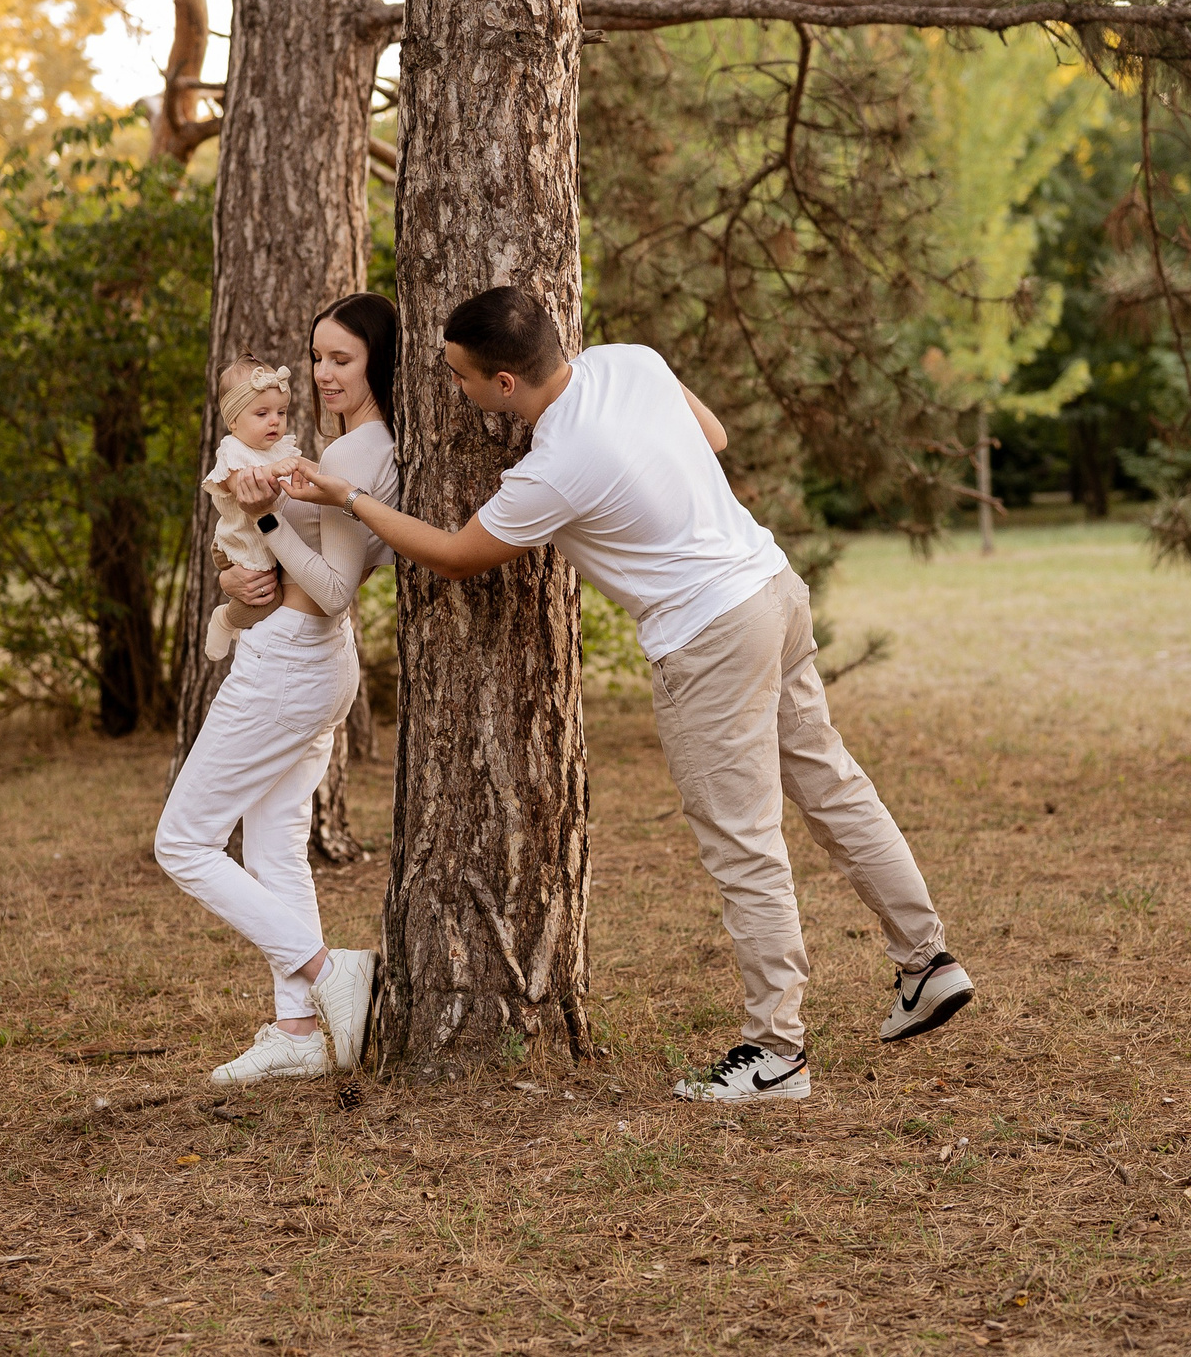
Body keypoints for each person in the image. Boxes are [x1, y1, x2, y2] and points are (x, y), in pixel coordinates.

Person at [282, 286, 972, 1103]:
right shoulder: (629, 362)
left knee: (743, 842)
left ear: (506, 383)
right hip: (771, 587)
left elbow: (455, 554)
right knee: (833, 786)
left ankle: (776, 1052)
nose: (457, 392)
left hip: (708, 636)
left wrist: (348, 498)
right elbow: (711, 435)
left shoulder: (552, 468)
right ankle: (926, 960)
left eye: (464, 378)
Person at [155, 294, 403, 1087]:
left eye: (344, 359)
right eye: (319, 357)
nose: (325, 374)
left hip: (295, 661)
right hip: (309, 659)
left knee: (183, 842)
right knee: (271, 847)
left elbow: (332, 587)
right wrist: (236, 581)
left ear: (377, 364)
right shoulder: (346, 443)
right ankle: (299, 1027)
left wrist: (264, 524)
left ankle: (327, 971)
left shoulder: (359, 455)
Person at [199, 356, 299, 661]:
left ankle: (246, 628)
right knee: (269, 599)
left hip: (266, 539)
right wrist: (275, 471)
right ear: (233, 421)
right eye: (262, 413)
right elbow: (243, 484)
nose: (275, 421)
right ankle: (226, 619)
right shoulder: (232, 450)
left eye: (280, 412)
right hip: (240, 544)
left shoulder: (278, 449)